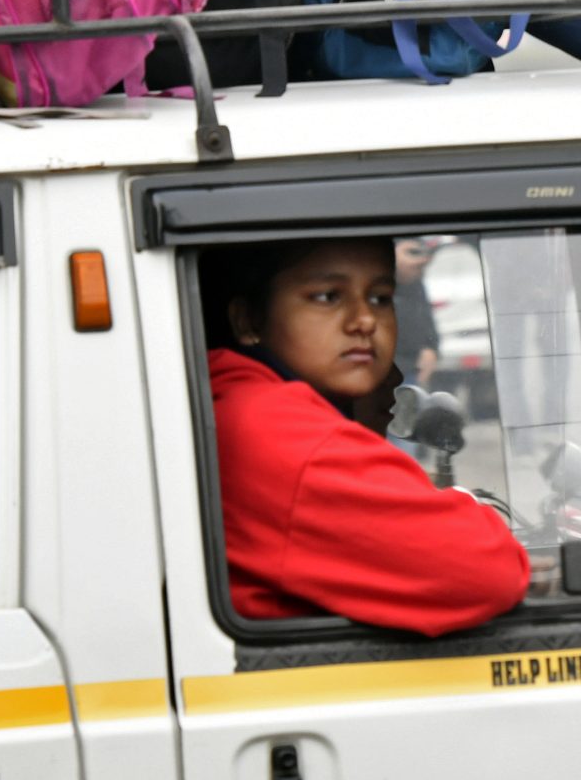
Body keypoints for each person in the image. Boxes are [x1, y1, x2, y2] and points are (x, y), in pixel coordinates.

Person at [206, 238, 530, 636]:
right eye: (327, 296)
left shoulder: (232, 400)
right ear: (247, 320)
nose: (364, 320)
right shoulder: (276, 428)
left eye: (380, 297)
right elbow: (487, 572)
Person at [391, 236, 441, 387]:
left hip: (410, 371)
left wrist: (430, 349)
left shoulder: (416, 286)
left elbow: (426, 320)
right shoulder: (371, 285)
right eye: (411, 252)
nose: (419, 261)